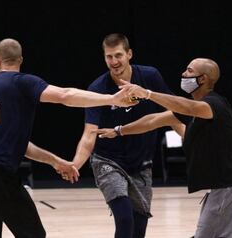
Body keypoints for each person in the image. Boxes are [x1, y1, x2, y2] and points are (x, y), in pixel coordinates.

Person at [0, 38, 136, 238]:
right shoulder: (22, 81)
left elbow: (19, 146)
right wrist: (111, 99)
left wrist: (56, 162)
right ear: (21, 60)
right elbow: (65, 95)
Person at [96, 58, 232, 238]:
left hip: (230, 187)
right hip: (224, 188)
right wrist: (119, 130)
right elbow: (153, 120)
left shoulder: (214, 105)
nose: (183, 74)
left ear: (202, 79)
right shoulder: (194, 110)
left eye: (189, 71)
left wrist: (147, 94)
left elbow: (189, 106)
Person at [67, 33, 182, 238]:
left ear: (129, 54)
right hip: (107, 161)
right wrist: (75, 164)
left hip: (141, 162)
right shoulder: (98, 88)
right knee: (124, 219)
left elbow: (175, 111)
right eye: (109, 57)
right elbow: (89, 134)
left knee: (139, 228)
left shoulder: (149, 77)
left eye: (118, 55)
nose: (114, 61)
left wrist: (192, 142)